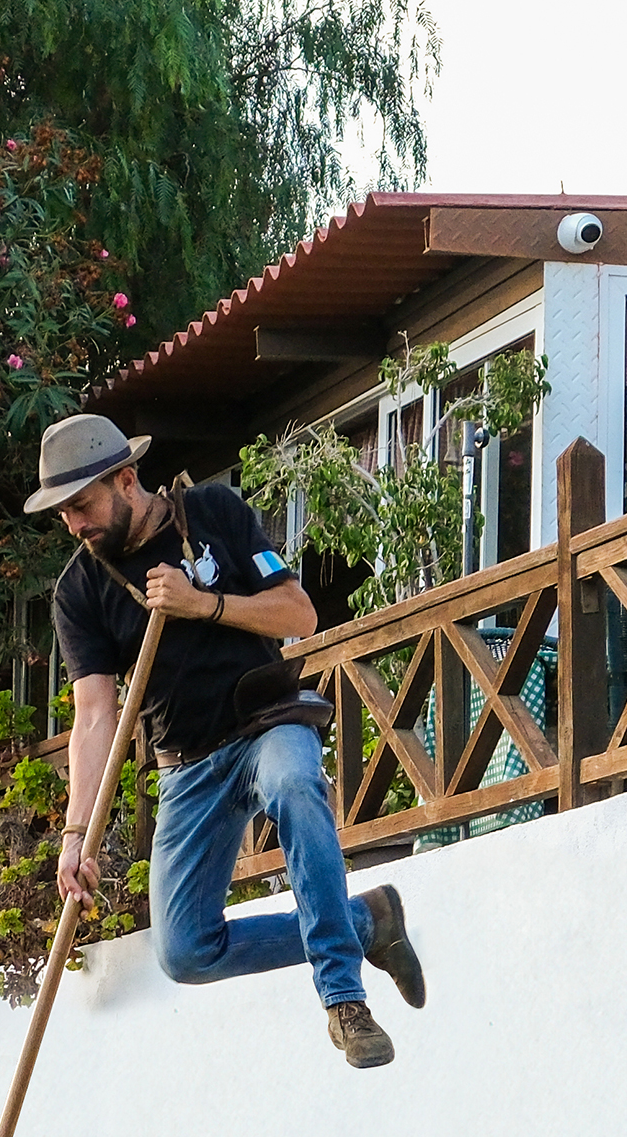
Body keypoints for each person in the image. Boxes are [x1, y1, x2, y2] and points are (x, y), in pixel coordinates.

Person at [27, 413, 425, 1068]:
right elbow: (95, 714)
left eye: (81, 505)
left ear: (126, 479)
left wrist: (204, 604)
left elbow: (299, 612)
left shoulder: (212, 511)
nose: (73, 524)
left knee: (297, 784)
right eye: (61, 513)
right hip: (186, 765)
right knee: (184, 951)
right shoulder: (80, 588)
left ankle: (343, 999)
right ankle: (365, 923)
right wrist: (75, 836)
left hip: (265, 721)